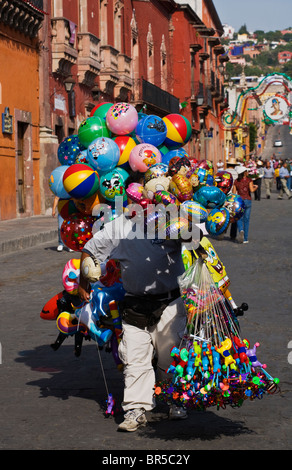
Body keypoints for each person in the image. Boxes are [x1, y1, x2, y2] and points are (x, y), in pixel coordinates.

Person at [78, 172, 201, 432]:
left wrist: (186, 223)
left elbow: (198, 241)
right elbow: (90, 249)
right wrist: (83, 281)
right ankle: (136, 409)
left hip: (170, 302)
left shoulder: (174, 221)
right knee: (135, 359)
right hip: (135, 304)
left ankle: (174, 400)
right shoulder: (119, 225)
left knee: (171, 356)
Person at [234, 166, 258, 244]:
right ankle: (245, 239)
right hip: (247, 200)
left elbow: (234, 193)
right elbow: (251, 190)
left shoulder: (236, 181)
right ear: (244, 172)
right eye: (247, 171)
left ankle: (241, 229)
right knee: (246, 220)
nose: (248, 172)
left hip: (239, 201)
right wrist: (256, 187)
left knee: (238, 218)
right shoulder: (249, 180)